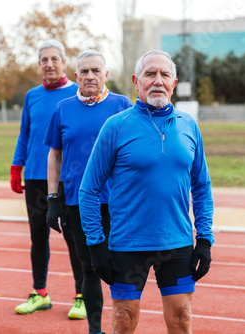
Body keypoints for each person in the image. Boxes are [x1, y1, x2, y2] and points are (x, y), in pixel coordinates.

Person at [78, 50, 214, 333]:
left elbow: (201, 187)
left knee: (181, 318)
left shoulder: (189, 125)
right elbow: (89, 190)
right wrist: (96, 245)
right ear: (136, 81)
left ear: (174, 83)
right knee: (124, 320)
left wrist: (204, 239)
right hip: (128, 243)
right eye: (150, 74)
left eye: (165, 75)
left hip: (176, 242)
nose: (157, 81)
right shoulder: (116, 127)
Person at [45, 50, 133, 334]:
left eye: (96, 70)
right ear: (76, 77)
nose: (90, 76)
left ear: (106, 75)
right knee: (90, 267)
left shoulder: (122, 105)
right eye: (84, 71)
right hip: (78, 203)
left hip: (117, 202)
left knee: (121, 268)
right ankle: (95, 330)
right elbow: (54, 155)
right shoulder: (63, 108)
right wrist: (52, 198)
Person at [11, 39, 85, 319]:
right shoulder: (32, 95)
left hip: (66, 179)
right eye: (44, 60)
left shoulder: (77, 93)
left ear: (64, 63)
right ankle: (40, 293)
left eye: (55, 59)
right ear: (39, 64)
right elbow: (25, 135)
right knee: (37, 237)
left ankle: (82, 295)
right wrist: (17, 166)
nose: (49, 64)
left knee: (73, 239)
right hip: (35, 178)